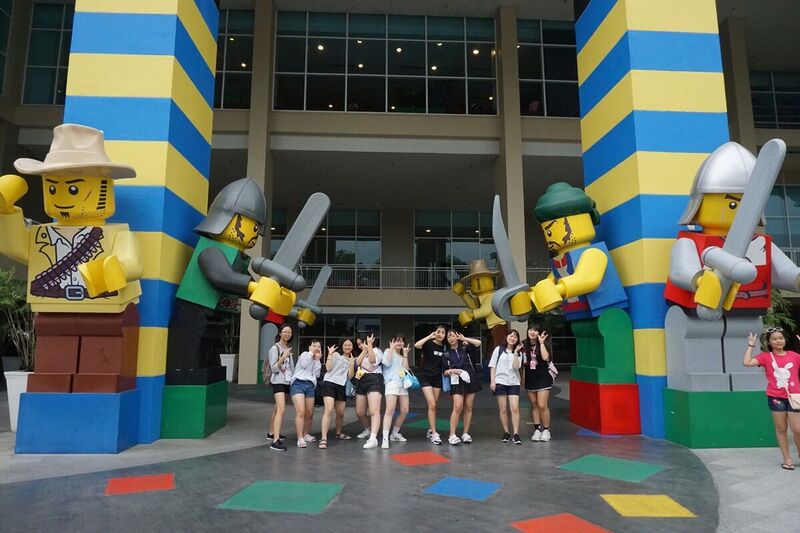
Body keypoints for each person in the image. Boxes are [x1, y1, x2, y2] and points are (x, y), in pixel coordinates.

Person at [744, 328, 800, 470]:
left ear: (784, 340)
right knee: (781, 428)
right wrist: (751, 345)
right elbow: (747, 362)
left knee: (797, 430)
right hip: (775, 397)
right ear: (769, 342)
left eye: (780, 338)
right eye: (774, 339)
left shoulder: (794, 355)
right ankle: (787, 458)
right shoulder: (765, 356)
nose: (778, 341)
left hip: (794, 397)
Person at [443, 329, 482, 445]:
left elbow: (478, 343)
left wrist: (464, 339)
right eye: (449, 337)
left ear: (457, 337)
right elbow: (444, 372)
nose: (451, 338)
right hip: (456, 381)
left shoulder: (465, 348)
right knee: (457, 407)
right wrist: (451, 371)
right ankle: (452, 435)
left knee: (468, 407)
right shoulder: (446, 354)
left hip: (470, 379)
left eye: (453, 336)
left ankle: (465, 433)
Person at [319, 338, 356, 448]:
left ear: (352, 347)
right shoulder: (335, 355)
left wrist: (352, 364)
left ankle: (338, 433)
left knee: (340, 413)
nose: (347, 347)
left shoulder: (351, 358)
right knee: (329, 410)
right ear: (341, 346)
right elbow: (328, 368)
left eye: (349, 345)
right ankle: (323, 438)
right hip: (329, 383)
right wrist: (330, 355)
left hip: (341, 385)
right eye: (345, 345)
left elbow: (350, 376)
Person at [488, 329, 523, 444]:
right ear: (506, 337)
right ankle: (506, 432)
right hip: (500, 381)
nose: (512, 338)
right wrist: (493, 381)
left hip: (514, 382)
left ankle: (516, 433)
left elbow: (516, 367)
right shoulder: (498, 350)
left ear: (517, 340)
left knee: (515, 408)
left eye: (515, 337)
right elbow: (492, 366)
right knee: (503, 409)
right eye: (511, 336)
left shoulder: (519, 352)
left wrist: (516, 353)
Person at [414, 326, 447, 445]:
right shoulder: (429, 344)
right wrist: (429, 336)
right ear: (435, 333)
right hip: (426, 377)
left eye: (443, 332)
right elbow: (417, 345)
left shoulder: (444, 347)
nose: (440, 334)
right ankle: (434, 433)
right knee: (432, 404)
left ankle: (430, 429)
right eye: (438, 331)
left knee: (433, 406)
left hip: (437, 379)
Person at [521, 324, 553, 442]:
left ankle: (546, 430)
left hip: (543, 377)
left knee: (542, 405)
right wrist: (522, 378)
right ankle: (537, 429)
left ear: (539, 333)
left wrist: (542, 343)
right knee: (534, 404)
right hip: (530, 377)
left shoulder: (544, 344)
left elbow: (545, 358)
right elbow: (521, 363)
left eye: (535, 330)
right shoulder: (523, 344)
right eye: (530, 329)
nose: (532, 332)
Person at [290, 340, 322, 448]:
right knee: (300, 411)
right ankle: (300, 438)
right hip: (298, 383)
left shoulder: (316, 359)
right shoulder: (304, 354)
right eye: (314, 346)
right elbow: (304, 364)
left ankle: (306, 434)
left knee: (309, 412)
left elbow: (317, 374)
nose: (316, 348)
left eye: (318, 346)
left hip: (310, 385)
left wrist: (317, 360)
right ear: (309, 347)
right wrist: (311, 354)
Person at [266, 324, 294, 452]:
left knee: (277, 408)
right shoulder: (275, 348)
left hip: (287, 381)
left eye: (289, 332)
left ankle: (272, 433)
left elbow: (291, 367)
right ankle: (275, 441)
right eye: (285, 332)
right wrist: (283, 357)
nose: (287, 334)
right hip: (278, 381)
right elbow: (273, 368)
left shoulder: (288, 348)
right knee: (281, 410)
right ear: (280, 333)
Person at [381, 334, 411, 449]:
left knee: (405, 410)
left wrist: (405, 355)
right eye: (397, 341)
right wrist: (391, 349)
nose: (399, 343)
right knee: (390, 410)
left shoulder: (402, 356)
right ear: (393, 341)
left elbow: (406, 369)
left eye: (401, 341)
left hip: (402, 383)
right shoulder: (388, 351)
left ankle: (394, 433)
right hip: (391, 382)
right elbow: (386, 363)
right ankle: (385, 438)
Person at [355, 334, 384, 449]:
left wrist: (370, 346)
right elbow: (357, 363)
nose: (360, 346)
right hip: (362, 380)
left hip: (375, 379)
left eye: (362, 343)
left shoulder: (377, 351)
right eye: (358, 344)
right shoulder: (362, 352)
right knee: (360, 411)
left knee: (374, 410)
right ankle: (368, 429)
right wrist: (364, 350)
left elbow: (372, 361)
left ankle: (373, 438)